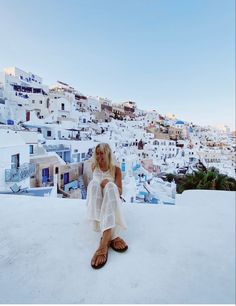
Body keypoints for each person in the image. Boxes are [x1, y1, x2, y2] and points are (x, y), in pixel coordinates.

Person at [87, 143, 128, 269]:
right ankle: (112, 237)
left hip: (111, 203)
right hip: (98, 208)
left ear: (108, 153)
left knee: (110, 187)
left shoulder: (116, 170)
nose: (99, 156)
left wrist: (108, 184)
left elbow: (120, 191)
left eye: (102, 153)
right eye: (97, 153)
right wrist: (100, 184)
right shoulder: (94, 167)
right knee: (93, 184)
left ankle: (103, 243)